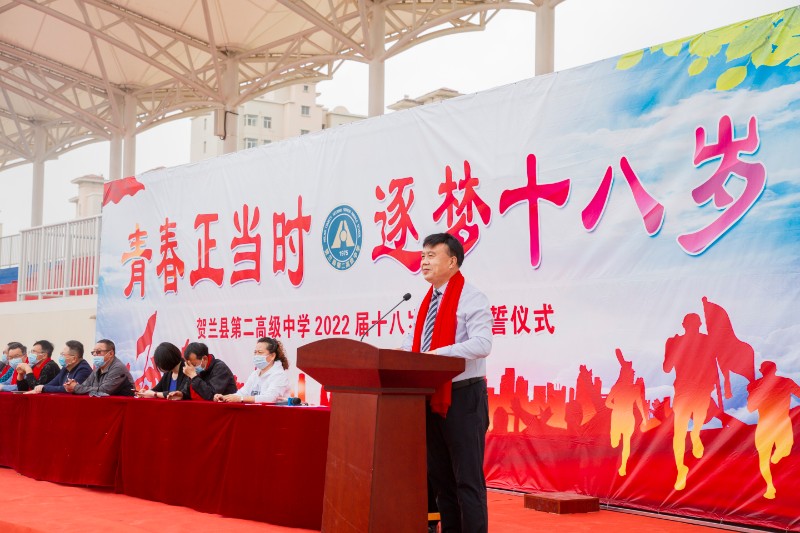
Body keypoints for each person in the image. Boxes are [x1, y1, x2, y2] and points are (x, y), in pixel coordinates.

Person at [401, 232, 492, 533]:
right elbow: (414, 345)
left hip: (463, 398)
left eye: (431, 255)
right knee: (441, 480)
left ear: (452, 261)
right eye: (422, 256)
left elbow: (482, 343)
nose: (424, 262)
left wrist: (437, 354)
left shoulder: (472, 297)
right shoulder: (427, 302)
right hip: (431, 398)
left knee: (467, 481)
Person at [663, 313, 719, 491]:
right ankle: (681, 469)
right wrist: (674, 348)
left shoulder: (706, 341)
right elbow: (667, 368)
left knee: (691, 426)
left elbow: (713, 365)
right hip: (684, 391)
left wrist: (715, 385)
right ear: (684, 325)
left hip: (700, 390)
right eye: (691, 324)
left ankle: (695, 435)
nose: (693, 327)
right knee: (679, 432)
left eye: (695, 324)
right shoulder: (675, 342)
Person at [746, 360, 800, 500]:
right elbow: (751, 407)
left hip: (777, 423)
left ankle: (776, 459)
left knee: (781, 451)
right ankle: (770, 487)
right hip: (768, 423)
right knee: (765, 456)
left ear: (762, 371)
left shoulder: (785, 382)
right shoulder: (756, 385)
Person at [215, 337, 290, 403]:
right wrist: (224, 397)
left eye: (260, 352)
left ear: (272, 356)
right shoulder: (255, 374)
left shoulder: (279, 375)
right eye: (255, 352)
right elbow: (242, 393)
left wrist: (241, 399)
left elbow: (270, 398)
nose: (256, 355)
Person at [65, 339, 134, 396]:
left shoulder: (118, 368)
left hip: (123, 405)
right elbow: (84, 385)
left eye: (98, 352)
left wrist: (76, 387)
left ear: (111, 353)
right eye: (93, 352)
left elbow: (103, 391)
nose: (95, 354)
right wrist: (72, 385)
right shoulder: (98, 368)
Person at [172, 342, 236, 400]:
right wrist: (182, 395)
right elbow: (188, 392)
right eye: (189, 365)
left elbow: (212, 396)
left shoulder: (220, 368)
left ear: (204, 359)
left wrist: (194, 376)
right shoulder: (194, 370)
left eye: (194, 365)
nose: (192, 368)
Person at [26, 340, 92, 394]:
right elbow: (52, 384)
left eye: (63, 354)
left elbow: (69, 389)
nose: (60, 357)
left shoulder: (84, 369)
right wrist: (41, 388)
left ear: (74, 359)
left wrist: (43, 388)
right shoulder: (65, 368)